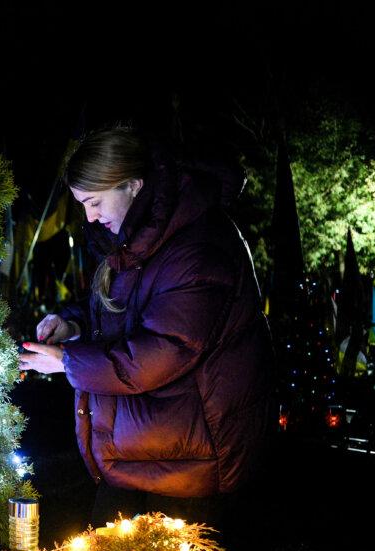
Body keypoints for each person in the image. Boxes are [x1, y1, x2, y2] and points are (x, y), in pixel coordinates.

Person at [19, 127, 273, 529]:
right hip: (147, 453)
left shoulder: (197, 245)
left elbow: (163, 351)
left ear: (133, 186)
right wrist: (72, 326)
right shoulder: (135, 241)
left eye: (94, 202)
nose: (90, 217)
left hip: (188, 468)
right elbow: (123, 313)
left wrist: (68, 363)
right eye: (82, 204)